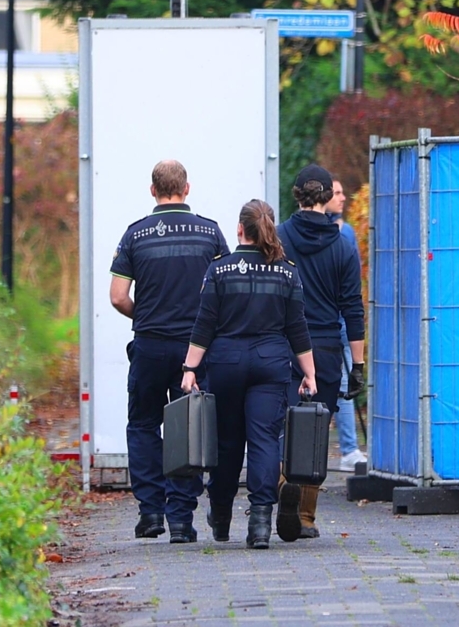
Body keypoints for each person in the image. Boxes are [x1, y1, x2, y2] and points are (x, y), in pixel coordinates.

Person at [180, 199, 317, 549]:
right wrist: (309, 374)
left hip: (226, 364)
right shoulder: (287, 271)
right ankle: (259, 523)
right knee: (264, 441)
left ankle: (221, 517)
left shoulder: (220, 270)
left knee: (227, 443)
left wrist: (190, 368)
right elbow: (297, 329)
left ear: (240, 229)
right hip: (270, 363)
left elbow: (204, 325)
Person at [110, 159, 230, 544]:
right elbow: (222, 294)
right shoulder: (210, 234)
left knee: (144, 423)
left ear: (152, 190)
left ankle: (150, 512)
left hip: (148, 344)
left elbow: (117, 297)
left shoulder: (135, 236)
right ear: (187, 189)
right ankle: (181, 519)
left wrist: (143, 314)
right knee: (190, 427)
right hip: (193, 351)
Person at [275, 164, 365, 542]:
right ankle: (306, 515)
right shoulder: (343, 244)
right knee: (315, 431)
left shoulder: (278, 238)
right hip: (326, 349)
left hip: (282, 345)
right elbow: (353, 308)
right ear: (328, 197)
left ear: (297, 194)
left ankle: (279, 493)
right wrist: (357, 364)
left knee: (279, 426)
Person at [324, 178, 367, 472]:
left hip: (340, 321)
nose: (342, 198)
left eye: (342, 192)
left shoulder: (347, 232)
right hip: (327, 322)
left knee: (344, 385)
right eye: (336, 193)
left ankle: (350, 449)